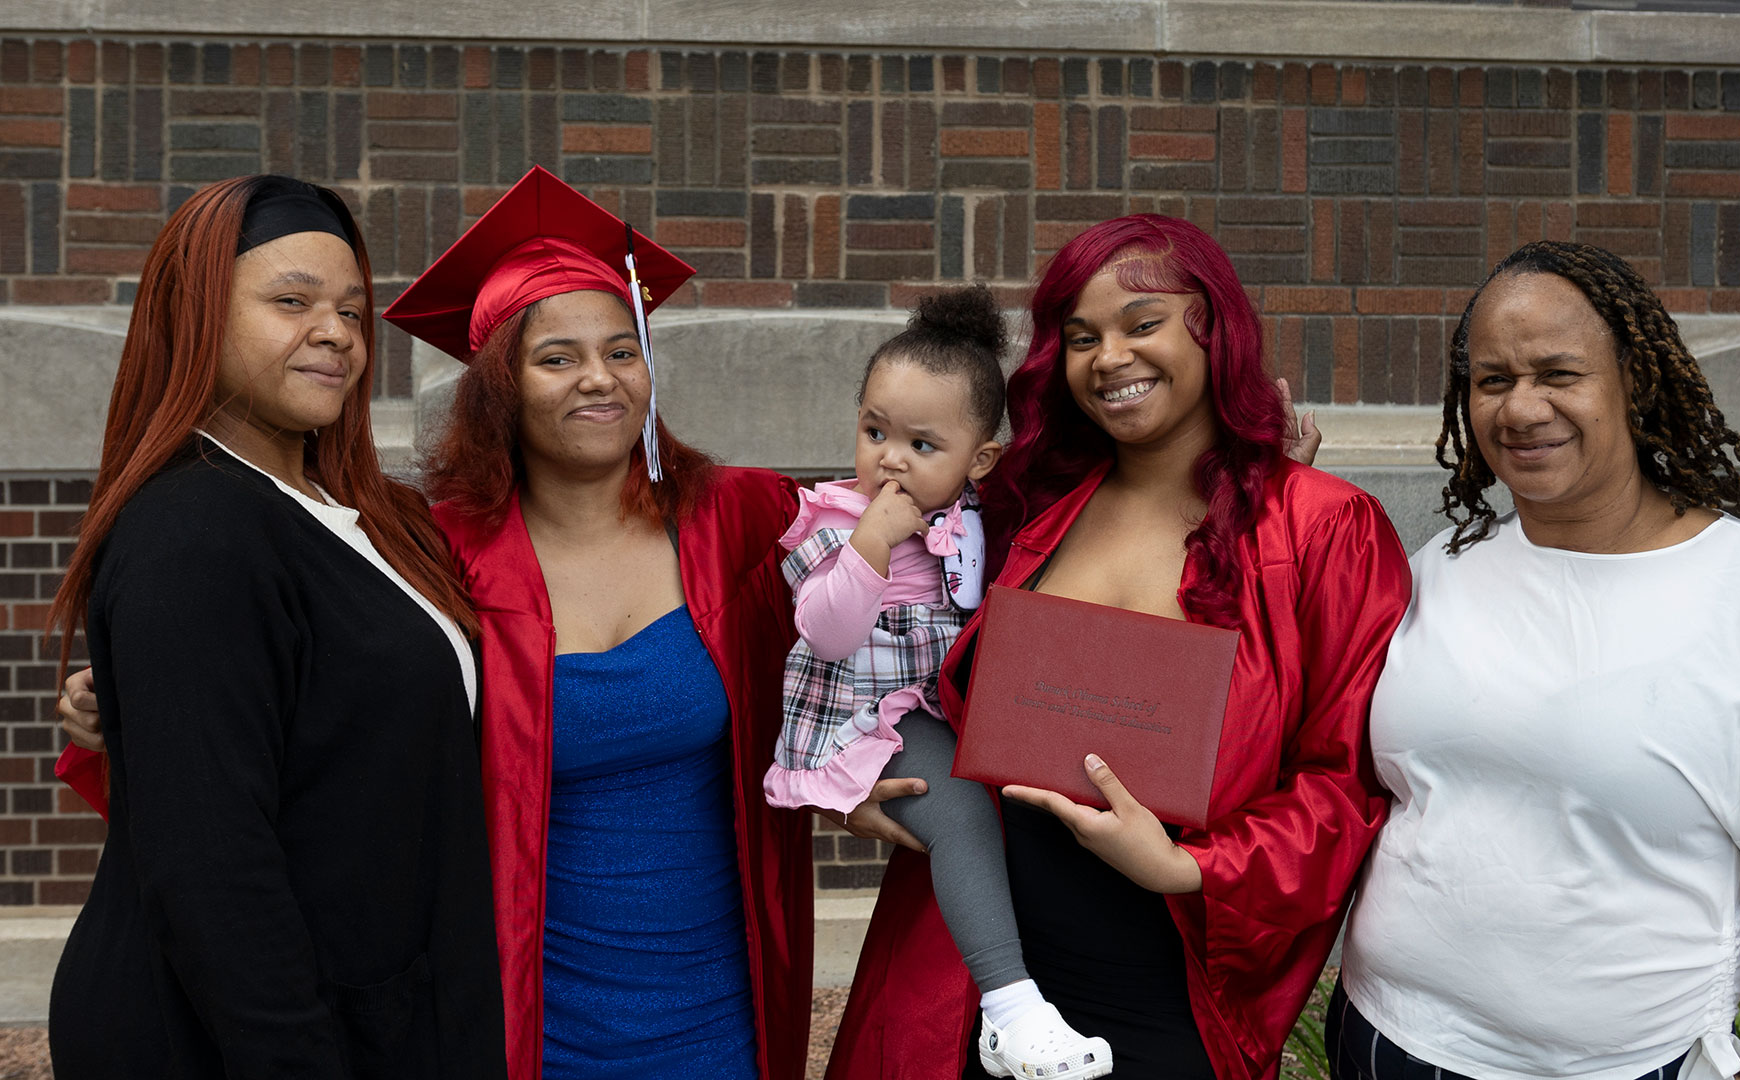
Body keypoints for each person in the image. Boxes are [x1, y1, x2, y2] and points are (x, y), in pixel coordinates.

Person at [58, 166, 813, 1080]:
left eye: (623, 350)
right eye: (556, 357)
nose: (599, 380)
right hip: (501, 1006)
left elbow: (897, 598)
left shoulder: (741, 519)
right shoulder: (418, 545)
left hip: (692, 1000)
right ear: (500, 387)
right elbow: (216, 829)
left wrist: (882, 755)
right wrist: (132, 711)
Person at [825, 214, 1411, 1080]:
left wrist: (1190, 865)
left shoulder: (1319, 530)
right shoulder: (1018, 507)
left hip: (1160, 980)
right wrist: (847, 781)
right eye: (1081, 337)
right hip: (969, 973)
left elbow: (1343, 783)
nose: (1110, 357)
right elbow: (869, 637)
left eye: (1144, 324)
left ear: (1216, 327)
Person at [1330, 240, 1740, 1080]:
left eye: (1559, 374)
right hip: (1390, 1041)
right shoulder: (1445, 567)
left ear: (1634, 383)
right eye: (1493, 380)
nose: (1521, 407)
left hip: (1625, 1065)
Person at [44, 175, 506, 1079]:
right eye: (291, 301)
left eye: (350, 311)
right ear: (195, 315)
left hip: (372, 1004)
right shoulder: (195, 530)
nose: (335, 331)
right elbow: (213, 869)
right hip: (245, 1038)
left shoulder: (359, 516)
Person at [764, 284, 1112, 1078]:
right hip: (861, 715)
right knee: (956, 810)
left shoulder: (977, 516)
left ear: (978, 460)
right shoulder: (830, 521)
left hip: (935, 704)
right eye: (874, 430)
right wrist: (871, 545)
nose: (889, 457)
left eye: (922, 445)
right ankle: (1011, 1007)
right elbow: (826, 630)